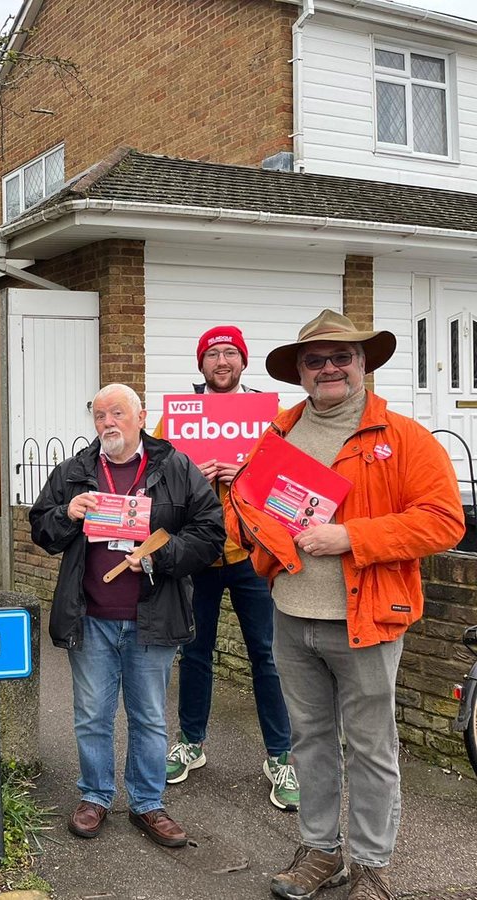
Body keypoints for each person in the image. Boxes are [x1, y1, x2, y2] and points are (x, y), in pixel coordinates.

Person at [224, 310, 465, 900]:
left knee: (371, 747)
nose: (329, 367)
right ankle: (321, 851)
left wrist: (352, 537)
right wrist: (249, 525)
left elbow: (444, 522)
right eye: (316, 360)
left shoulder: (403, 437)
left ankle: (372, 866)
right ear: (300, 372)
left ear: (363, 364)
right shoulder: (279, 432)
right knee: (308, 740)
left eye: (342, 357)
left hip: (368, 617)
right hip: (291, 612)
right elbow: (246, 506)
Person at [29, 384, 224, 849]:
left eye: (117, 413)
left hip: (152, 619)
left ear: (141, 417)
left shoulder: (175, 468)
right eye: (99, 416)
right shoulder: (75, 471)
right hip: (90, 616)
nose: (107, 423)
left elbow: (211, 531)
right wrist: (66, 513)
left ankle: (146, 803)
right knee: (92, 715)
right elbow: (41, 527)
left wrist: (162, 554)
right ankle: (95, 795)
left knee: (150, 717)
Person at [161, 325, 299, 811]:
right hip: (197, 555)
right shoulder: (178, 416)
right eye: (212, 355)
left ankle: (280, 756)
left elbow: (290, 478)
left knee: (267, 654)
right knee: (195, 652)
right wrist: (186, 476)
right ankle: (191, 743)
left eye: (229, 354)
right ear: (201, 365)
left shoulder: (270, 416)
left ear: (243, 362)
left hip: (251, 552)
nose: (221, 361)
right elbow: (156, 475)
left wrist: (243, 474)